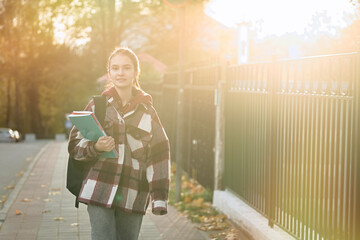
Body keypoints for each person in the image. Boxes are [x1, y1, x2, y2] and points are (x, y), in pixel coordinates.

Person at [68, 47, 170, 240]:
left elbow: (159, 154)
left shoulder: (147, 112)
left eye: (126, 68)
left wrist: (159, 198)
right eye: (115, 68)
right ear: (109, 72)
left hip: (134, 193)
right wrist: (95, 147)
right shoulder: (97, 105)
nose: (120, 72)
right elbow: (74, 145)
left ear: (135, 72)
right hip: (99, 188)